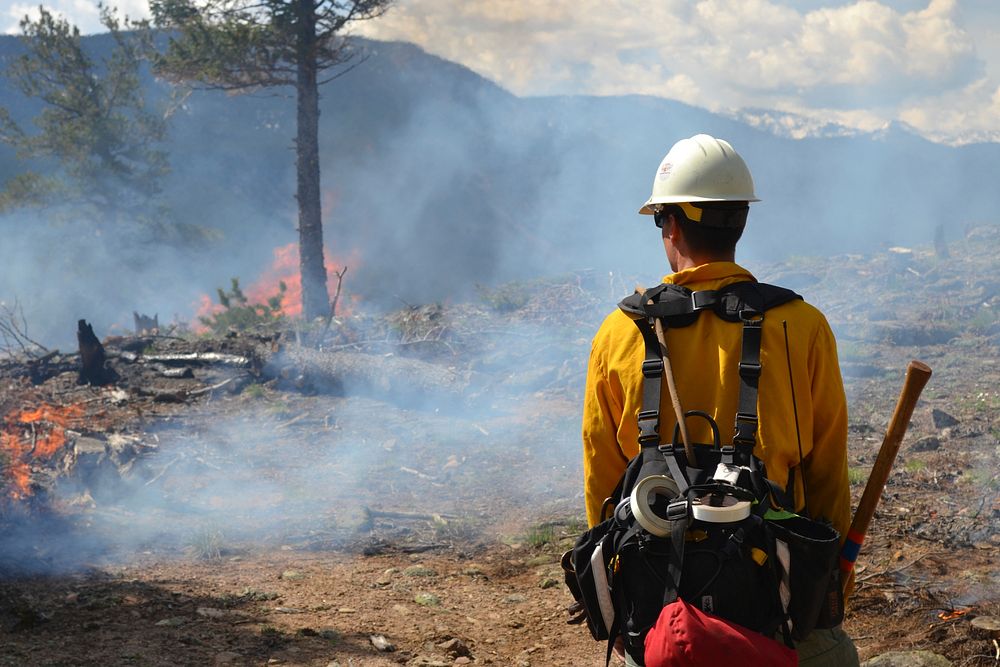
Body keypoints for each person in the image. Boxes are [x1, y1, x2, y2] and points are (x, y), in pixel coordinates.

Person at [581, 134, 859, 666]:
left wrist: (616, 598)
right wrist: (823, 591)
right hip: (776, 607)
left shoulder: (619, 334)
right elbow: (826, 478)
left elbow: (603, 485)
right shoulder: (801, 327)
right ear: (741, 222)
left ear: (673, 224)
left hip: (656, 613)